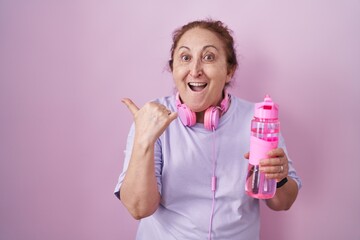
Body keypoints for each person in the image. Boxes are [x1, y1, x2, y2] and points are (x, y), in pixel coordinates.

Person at [114, 19, 301, 240]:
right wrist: (144, 141)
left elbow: (284, 202)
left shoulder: (259, 119)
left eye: (209, 57)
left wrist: (278, 178)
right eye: (185, 58)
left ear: (230, 71)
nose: (195, 70)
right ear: (173, 67)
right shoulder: (151, 118)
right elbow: (139, 208)